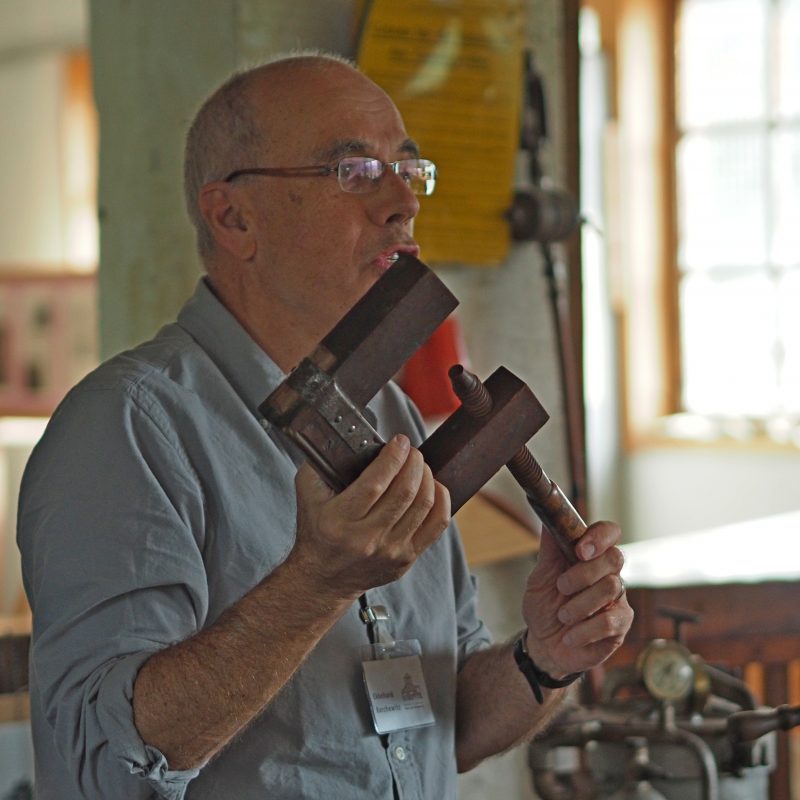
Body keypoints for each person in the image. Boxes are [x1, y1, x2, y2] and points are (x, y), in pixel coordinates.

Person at [17, 52, 633, 799]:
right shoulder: (129, 428)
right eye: (355, 173)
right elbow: (105, 768)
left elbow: (447, 722)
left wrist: (545, 657)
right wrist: (316, 583)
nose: (403, 204)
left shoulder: (394, 414)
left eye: (409, 170)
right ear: (233, 217)